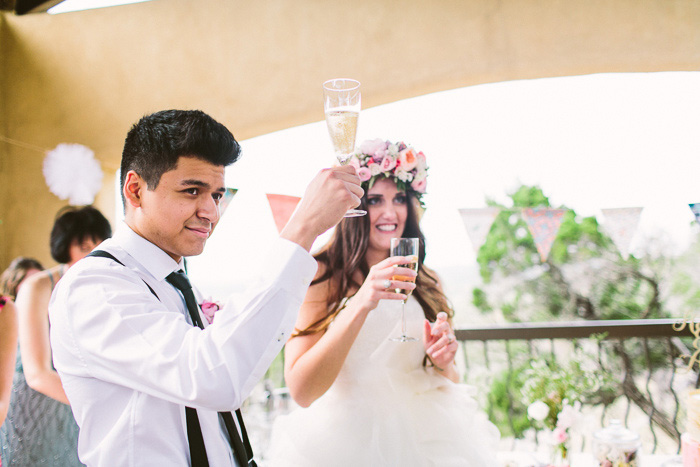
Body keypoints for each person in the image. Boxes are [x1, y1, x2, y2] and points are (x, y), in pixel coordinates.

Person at [48, 109, 363, 466]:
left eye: (216, 195)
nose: (211, 212)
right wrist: (302, 228)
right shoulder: (95, 287)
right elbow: (213, 376)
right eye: (192, 191)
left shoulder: (175, 284)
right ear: (135, 190)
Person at [266, 139, 500, 466]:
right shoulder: (320, 273)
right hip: (348, 443)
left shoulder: (427, 278)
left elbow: (451, 379)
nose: (390, 213)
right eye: (375, 200)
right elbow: (302, 391)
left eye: (400, 199)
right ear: (354, 206)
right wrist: (363, 301)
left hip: (429, 437)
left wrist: (443, 360)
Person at [1, 207, 111, 466]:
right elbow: (37, 374)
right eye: (85, 247)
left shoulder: (101, 288)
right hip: (32, 405)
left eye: (100, 246)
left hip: (73, 407)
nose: (93, 255)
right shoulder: (37, 287)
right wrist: (104, 406)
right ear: (64, 248)